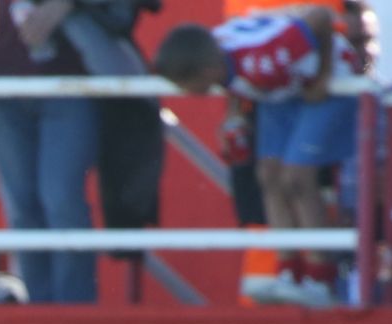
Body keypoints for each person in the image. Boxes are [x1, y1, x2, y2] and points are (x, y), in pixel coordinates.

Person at [156, 9, 364, 307]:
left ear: (203, 74)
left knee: (297, 178)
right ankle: (288, 270)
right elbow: (232, 77)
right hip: (280, 90)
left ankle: (321, 277)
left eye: (182, 84)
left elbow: (321, 18)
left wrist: (325, 74)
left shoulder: (264, 58)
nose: (181, 92)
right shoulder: (217, 56)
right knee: (268, 175)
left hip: (322, 80)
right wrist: (234, 115)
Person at [0, 0, 101, 303]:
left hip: (69, 78)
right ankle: (38, 317)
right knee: (22, 209)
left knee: (61, 201)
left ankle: (74, 316)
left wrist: (62, 5)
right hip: (5, 83)